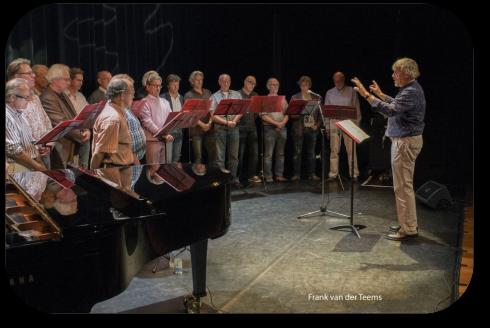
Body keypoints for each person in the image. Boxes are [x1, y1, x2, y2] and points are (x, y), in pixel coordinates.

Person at [351, 57, 425, 241]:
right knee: (403, 186)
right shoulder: (410, 90)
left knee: (402, 187)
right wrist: (381, 95)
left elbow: (391, 110)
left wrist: (366, 95)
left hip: (405, 142)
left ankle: (408, 228)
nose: (393, 75)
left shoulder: (410, 91)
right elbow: (396, 104)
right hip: (405, 141)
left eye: (396, 72)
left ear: (407, 73)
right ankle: (408, 223)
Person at [41, 64, 90, 169]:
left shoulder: (61, 94)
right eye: (66, 80)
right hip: (59, 146)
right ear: (55, 80)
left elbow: (75, 117)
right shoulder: (47, 97)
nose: (69, 83)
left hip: (68, 143)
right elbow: (60, 123)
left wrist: (85, 129)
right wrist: (81, 134)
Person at [7, 58, 53, 169]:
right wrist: (37, 164)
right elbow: (13, 147)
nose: (34, 76)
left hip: (41, 152)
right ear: (16, 77)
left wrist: (49, 144)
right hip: (22, 162)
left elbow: (46, 122)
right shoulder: (11, 104)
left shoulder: (35, 97)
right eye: (29, 73)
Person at [90, 79, 137, 169]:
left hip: (120, 169)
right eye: (132, 93)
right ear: (122, 95)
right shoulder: (112, 118)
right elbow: (99, 153)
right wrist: (92, 174)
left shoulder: (118, 112)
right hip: (113, 171)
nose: (133, 96)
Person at [324, 71, 361, 181]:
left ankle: (354, 174)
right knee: (334, 150)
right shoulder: (329, 92)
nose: (337, 83)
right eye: (335, 81)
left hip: (349, 123)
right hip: (333, 124)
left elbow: (356, 109)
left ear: (343, 80)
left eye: (339, 80)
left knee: (351, 150)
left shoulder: (351, 91)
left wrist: (356, 126)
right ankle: (333, 173)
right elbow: (326, 112)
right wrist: (327, 126)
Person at [5, 78, 47, 172]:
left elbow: (30, 141)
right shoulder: (7, 116)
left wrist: (38, 160)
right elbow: (15, 150)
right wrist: (37, 166)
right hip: (17, 167)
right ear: (12, 97)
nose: (29, 100)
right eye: (26, 97)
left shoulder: (20, 113)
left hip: (29, 164)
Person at [210, 74, 243, 188]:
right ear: (219, 82)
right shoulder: (214, 97)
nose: (225, 83)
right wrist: (227, 123)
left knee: (234, 156)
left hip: (234, 127)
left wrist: (234, 121)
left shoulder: (237, 94)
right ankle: (222, 181)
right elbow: (213, 116)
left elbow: (241, 110)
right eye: (223, 81)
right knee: (220, 157)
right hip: (220, 128)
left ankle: (233, 179)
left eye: (227, 81)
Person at [138, 71, 174, 167]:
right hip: (152, 141)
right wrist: (163, 134)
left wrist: (168, 133)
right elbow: (147, 122)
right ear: (147, 87)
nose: (158, 88)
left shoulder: (165, 102)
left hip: (165, 140)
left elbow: (171, 119)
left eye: (160, 86)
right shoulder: (144, 102)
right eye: (155, 86)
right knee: (154, 170)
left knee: (165, 170)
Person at [290, 75, 321, 181]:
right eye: (302, 85)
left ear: (309, 86)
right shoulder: (295, 97)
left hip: (312, 129)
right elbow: (291, 115)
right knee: (297, 152)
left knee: (311, 152)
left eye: (306, 85)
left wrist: (317, 125)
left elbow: (320, 114)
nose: (304, 87)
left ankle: (312, 174)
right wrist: (301, 111)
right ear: (300, 86)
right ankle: (296, 174)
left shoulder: (316, 97)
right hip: (299, 129)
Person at [183, 70, 214, 175]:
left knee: (212, 154)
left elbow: (212, 110)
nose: (200, 82)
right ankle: (198, 176)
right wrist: (202, 125)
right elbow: (190, 114)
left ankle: (211, 177)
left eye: (201, 79)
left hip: (209, 128)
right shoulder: (188, 95)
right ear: (192, 81)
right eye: (197, 80)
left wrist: (209, 123)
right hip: (196, 129)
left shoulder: (208, 92)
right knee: (198, 155)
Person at [112, 74, 147, 164]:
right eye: (130, 90)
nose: (133, 94)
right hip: (129, 161)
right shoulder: (115, 111)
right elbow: (123, 143)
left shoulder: (125, 107)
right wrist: (135, 160)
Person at [261, 78, 288, 182]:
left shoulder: (282, 99)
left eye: (277, 84)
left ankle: (279, 175)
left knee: (280, 154)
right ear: (268, 86)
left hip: (282, 128)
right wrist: (277, 123)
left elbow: (287, 113)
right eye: (272, 84)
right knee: (268, 154)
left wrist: (282, 123)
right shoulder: (265, 99)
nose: (275, 86)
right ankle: (268, 176)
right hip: (269, 128)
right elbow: (263, 116)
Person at [238, 75, 261, 184]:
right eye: (250, 82)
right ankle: (238, 177)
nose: (252, 85)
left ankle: (251, 175)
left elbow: (256, 112)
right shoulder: (238, 94)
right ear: (244, 82)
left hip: (252, 127)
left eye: (254, 83)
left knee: (254, 153)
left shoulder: (255, 95)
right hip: (240, 128)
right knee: (240, 154)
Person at [66, 67, 90, 168]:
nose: (81, 83)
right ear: (70, 80)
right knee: (70, 167)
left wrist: (88, 130)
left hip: (83, 133)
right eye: (78, 80)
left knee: (83, 166)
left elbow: (88, 115)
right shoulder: (64, 96)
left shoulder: (81, 96)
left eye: (82, 80)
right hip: (69, 135)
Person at [161, 74, 184, 164]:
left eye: (177, 83)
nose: (175, 86)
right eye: (173, 83)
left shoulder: (181, 97)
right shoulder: (163, 98)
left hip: (179, 131)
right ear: (168, 86)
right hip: (169, 131)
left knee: (176, 158)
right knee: (168, 159)